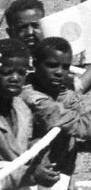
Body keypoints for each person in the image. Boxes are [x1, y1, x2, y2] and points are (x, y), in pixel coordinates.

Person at [21, 36, 91, 183]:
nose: (59, 72)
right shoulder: (35, 100)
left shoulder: (57, 87)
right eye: (52, 65)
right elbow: (90, 129)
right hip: (34, 177)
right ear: (35, 64)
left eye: (65, 67)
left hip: (60, 170)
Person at [0, 38, 62, 189]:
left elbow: (20, 149)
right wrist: (31, 176)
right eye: (7, 72)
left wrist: (38, 150)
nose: (15, 78)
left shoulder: (22, 109)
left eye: (21, 73)